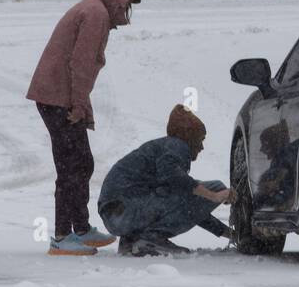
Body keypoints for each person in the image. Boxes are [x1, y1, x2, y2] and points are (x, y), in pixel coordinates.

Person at [27, 0, 141, 256]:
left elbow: (82, 67)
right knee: (71, 167)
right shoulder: (95, 15)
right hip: (57, 98)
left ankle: (81, 228)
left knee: (82, 162)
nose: (128, 8)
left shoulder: (95, 10)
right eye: (128, 0)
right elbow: (81, 64)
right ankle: (63, 236)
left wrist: (82, 105)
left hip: (59, 95)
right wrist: (78, 105)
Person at [97, 105, 232, 256]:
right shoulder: (177, 145)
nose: (201, 147)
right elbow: (173, 178)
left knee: (186, 193)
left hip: (116, 214)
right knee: (216, 187)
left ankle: (133, 240)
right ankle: (151, 240)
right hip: (125, 210)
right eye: (201, 140)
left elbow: (190, 207)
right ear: (189, 136)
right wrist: (214, 196)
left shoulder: (165, 147)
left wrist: (228, 233)